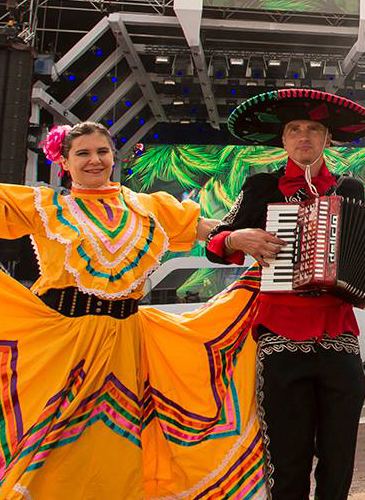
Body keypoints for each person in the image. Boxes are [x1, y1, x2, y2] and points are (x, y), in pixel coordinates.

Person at [0, 121, 267, 497]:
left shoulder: (146, 207)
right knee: (51, 445)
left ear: (113, 156)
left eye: (102, 152)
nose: (95, 161)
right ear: (64, 161)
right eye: (83, 153)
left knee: (120, 446)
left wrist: (236, 237)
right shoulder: (46, 206)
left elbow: (204, 228)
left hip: (128, 343)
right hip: (62, 346)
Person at [206, 88, 365, 499]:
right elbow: (214, 240)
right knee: (286, 462)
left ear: (327, 139)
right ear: (282, 140)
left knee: (339, 462)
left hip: (339, 339)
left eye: (314, 129)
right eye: (295, 129)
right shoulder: (261, 187)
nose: (304, 137)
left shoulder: (349, 189)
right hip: (281, 338)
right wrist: (237, 238)